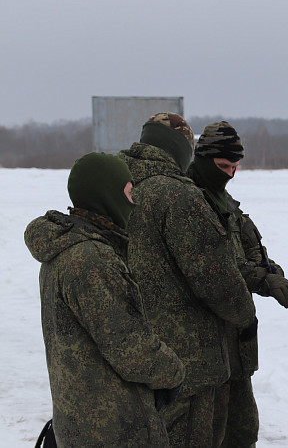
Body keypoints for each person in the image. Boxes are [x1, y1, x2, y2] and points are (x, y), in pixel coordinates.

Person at [24, 152, 186, 447]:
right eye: (128, 191)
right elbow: (130, 346)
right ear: (107, 194)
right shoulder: (90, 259)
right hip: (113, 429)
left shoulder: (66, 249)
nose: (133, 201)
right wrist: (172, 372)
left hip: (83, 420)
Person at [119, 113, 257, 447]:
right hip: (189, 363)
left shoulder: (118, 187)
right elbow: (216, 278)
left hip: (134, 352)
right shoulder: (177, 195)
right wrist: (245, 315)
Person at [186, 121, 288, 447]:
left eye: (236, 167)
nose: (231, 174)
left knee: (243, 431)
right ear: (204, 159)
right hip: (203, 351)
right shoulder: (187, 205)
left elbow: (253, 253)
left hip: (236, 347)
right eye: (224, 166)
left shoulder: (229, 206)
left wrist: (270, 272)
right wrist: (261, 279)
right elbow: (216, 268)